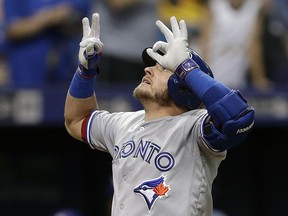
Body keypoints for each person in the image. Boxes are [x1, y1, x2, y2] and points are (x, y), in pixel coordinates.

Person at [64, 13, 255, 216]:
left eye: (162, 68)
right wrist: (85, 73)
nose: (147, 69)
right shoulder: (124, 123)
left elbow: (238, 117)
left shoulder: (194, 127)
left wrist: (186, 67)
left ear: (184, 85)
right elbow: (77, 120)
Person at [3, 0, 89, 88]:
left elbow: (83, 25)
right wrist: (50, 16)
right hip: (27, 66)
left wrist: (66, 18)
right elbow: (12, 29)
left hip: (63, 64)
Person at [200, 0, 271, 91]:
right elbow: (205, 43)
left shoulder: (255, 7)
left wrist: (259, 79)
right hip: (214, 66)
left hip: (238, 72)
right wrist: (204, 78)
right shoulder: (214, 5)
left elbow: (254, 45)